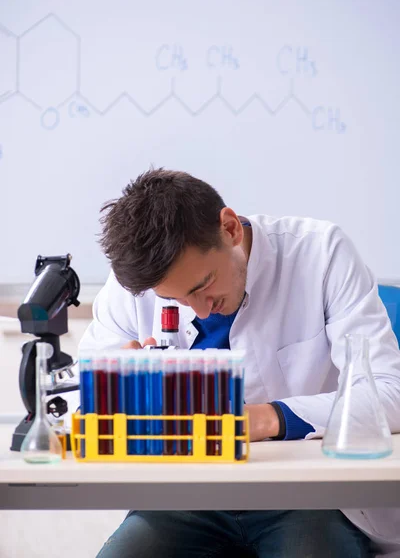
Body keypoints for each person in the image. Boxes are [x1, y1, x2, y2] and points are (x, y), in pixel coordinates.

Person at [79, 168, 400, 558]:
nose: (198, 308)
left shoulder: (322, 254)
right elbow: (75, 406)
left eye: (203, 285)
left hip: (307, 496)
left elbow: (387, 390)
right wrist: (113, 390)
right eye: (176, 300)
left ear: (229, 228)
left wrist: (264, 418)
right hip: (184, 499)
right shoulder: (135, 284)